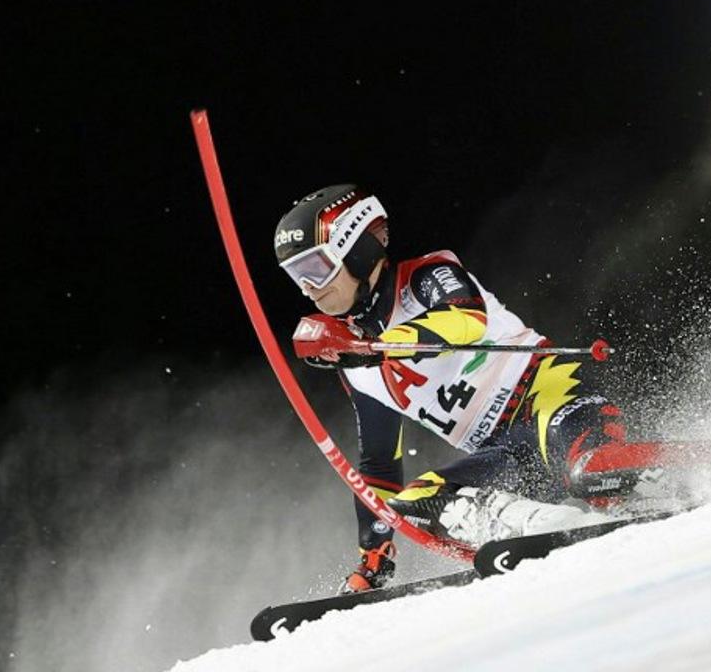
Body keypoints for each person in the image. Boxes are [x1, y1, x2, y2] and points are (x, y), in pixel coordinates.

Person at [274, 184, 682, 593]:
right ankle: (544, 527)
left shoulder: (428, 275)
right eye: (296, 276)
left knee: (591, 472)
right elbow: (379, 463)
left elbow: (466, 319)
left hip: (548, 398)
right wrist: (373, 554)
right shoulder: (359, 368)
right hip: (505, 453)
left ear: (357, 250)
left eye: (315, 269)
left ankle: (695, 471)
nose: (308, 287)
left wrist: (376, 348)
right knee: (415, 503)